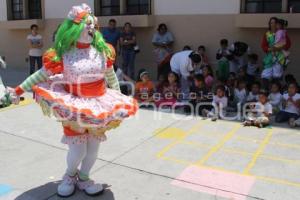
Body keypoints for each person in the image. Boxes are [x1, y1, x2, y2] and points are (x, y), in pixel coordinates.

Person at [8, 4, 138, 197]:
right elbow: (40, 75)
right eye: (87, 25)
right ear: (74, 29)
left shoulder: (103, 51)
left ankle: (84, 178)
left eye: (93, 26)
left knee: (93, 150)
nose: (91, 29)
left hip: (99, 107)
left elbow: (110, 76)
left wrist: (119, 99)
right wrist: (18, 90)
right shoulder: (63, 54)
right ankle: (69, 176)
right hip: (74, 106)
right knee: (78, 151)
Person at [261, 17, 291, 88]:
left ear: (278, 24)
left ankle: (276, 92)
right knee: (265, 75)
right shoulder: (267, 33)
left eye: (274, 23)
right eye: (271, 23)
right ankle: (266, 92)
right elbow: (263, 45)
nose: (273, 24)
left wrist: (280, 47)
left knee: (277, 76)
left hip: (279, 57)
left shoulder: (282, 32)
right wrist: (270, 49)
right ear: (269, 24)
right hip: (270, 57)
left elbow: (288, 44)